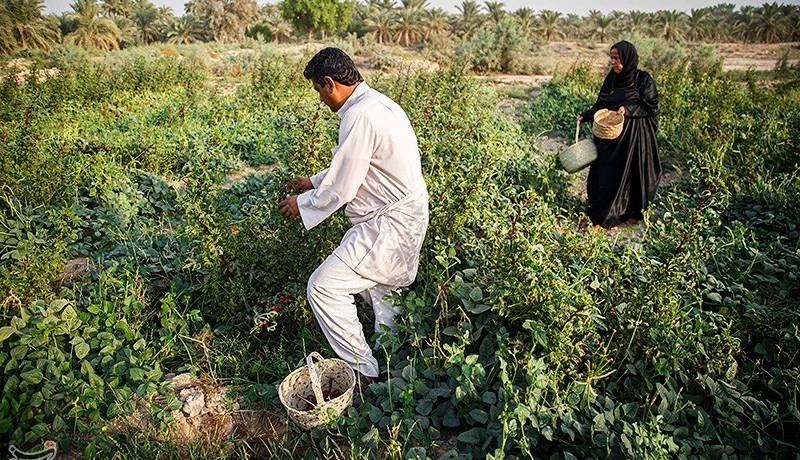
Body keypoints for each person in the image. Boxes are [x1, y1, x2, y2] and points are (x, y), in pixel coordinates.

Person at [277, 48, 429, 384]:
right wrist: (313, 182)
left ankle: (361, 371)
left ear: (330, 83)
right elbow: (358, 162)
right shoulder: (376, 104)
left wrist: (301, 203)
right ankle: (398, 367)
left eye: (318, 90)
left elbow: (343, 186)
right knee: (383, 291)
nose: (320, 100)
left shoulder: (359, 116)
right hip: (403, 216)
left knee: (323, 287)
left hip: (388, 224)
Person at [577, 40, 661, 229]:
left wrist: (628, 109)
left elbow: (651, 106)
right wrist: (586, 115)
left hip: (635, 138)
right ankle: (603, 213)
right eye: (612, 57)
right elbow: (602, 104)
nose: (613, 62)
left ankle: (627, 214)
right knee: (607, 174)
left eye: (617, 58)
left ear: (628, 58)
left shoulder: (643, 79)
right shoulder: (611, 79)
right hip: (611, 138)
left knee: (631, 174)